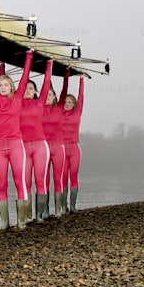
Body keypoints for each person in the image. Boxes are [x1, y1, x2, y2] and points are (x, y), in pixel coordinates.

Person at [0, 50, 33, 229]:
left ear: (11, 87)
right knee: (1, 184)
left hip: (16, 145)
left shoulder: (17, 99)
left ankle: (22, 221)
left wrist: (29, 56)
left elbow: (25, 76)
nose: (2, 87)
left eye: (6, 85)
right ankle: (4, 222)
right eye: (0, 85)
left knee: (19, 181)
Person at [18, 59, 54, 221]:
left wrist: (49, 64)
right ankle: (25, 216)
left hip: (40, 146)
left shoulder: (40, 103)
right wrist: (2, 66)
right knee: (25, 182)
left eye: (31, 88)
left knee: (40, 180)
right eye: (25, 87)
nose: (27, 90)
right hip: (23, 147)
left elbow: (47, 82)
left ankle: (39, 215)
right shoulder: (16, 103)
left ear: (35, 92)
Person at [42, 70, 70, 217]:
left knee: (57, 178)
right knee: (44, 179)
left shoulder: (59, 108)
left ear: (55, 97)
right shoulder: (39, 108)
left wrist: (66, 73)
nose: (47, 96)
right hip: (44, 148)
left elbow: (65, 89)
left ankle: (58, 210)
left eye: (50, 94)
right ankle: (45, 211)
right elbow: (47, 84)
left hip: (58, 148)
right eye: (45, 93)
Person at [60, 73, 86, 213]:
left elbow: (81, 96)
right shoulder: (59, 113)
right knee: (62, 177)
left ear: (74, 104)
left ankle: (73, 206)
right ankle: (63, 206)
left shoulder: (77, 112)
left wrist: (81, 80)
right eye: (65, 102)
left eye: (70, 102)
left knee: (73, 176)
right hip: (62, 149)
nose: (67, 105)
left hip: (74, 148)